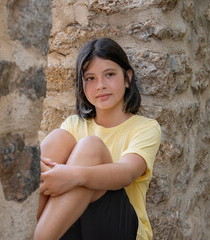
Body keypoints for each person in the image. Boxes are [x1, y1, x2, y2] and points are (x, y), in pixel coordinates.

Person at [34, 38, 161, 240]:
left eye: (109, 75)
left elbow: (127, 173)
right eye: (90, 78)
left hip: (119, 230)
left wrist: (74, 176)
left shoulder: (145, 127)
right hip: (72, 226)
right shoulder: (73, 125)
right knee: (58, 139)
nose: (100, 85)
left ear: (127, 78)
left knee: (91, 147)